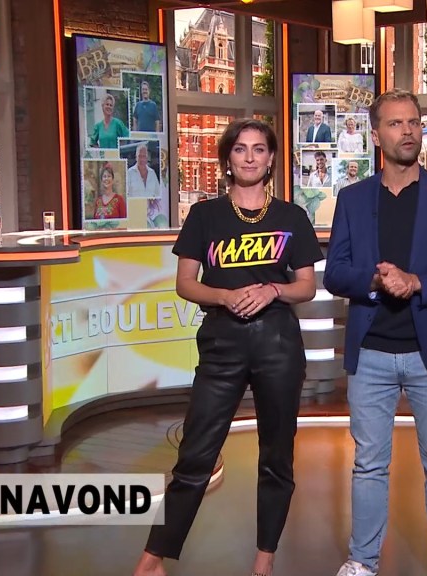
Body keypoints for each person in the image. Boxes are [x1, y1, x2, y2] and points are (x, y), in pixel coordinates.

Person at [133, 118, 323, 576]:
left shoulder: (292, 217)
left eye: (259, 149)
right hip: (222, 343)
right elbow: (185, 283)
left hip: (278, 344)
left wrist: (273, 290)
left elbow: (306, 286)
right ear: (228, 160)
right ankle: (152, 560)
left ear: (271, 159)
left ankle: (264, 560)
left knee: (276, 457)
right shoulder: (205, 216)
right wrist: (223, 296)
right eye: (240, 149)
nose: (250, 157)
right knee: (195, 454)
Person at [324, 89, 427, 576]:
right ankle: (362, 561)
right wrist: (374, 282)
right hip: (370, 352)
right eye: (395, 123)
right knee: (368, 464)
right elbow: (335, 274)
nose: (408, 131)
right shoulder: (353, 199)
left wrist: (417, 283)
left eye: (414, 122)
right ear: (377, 136)